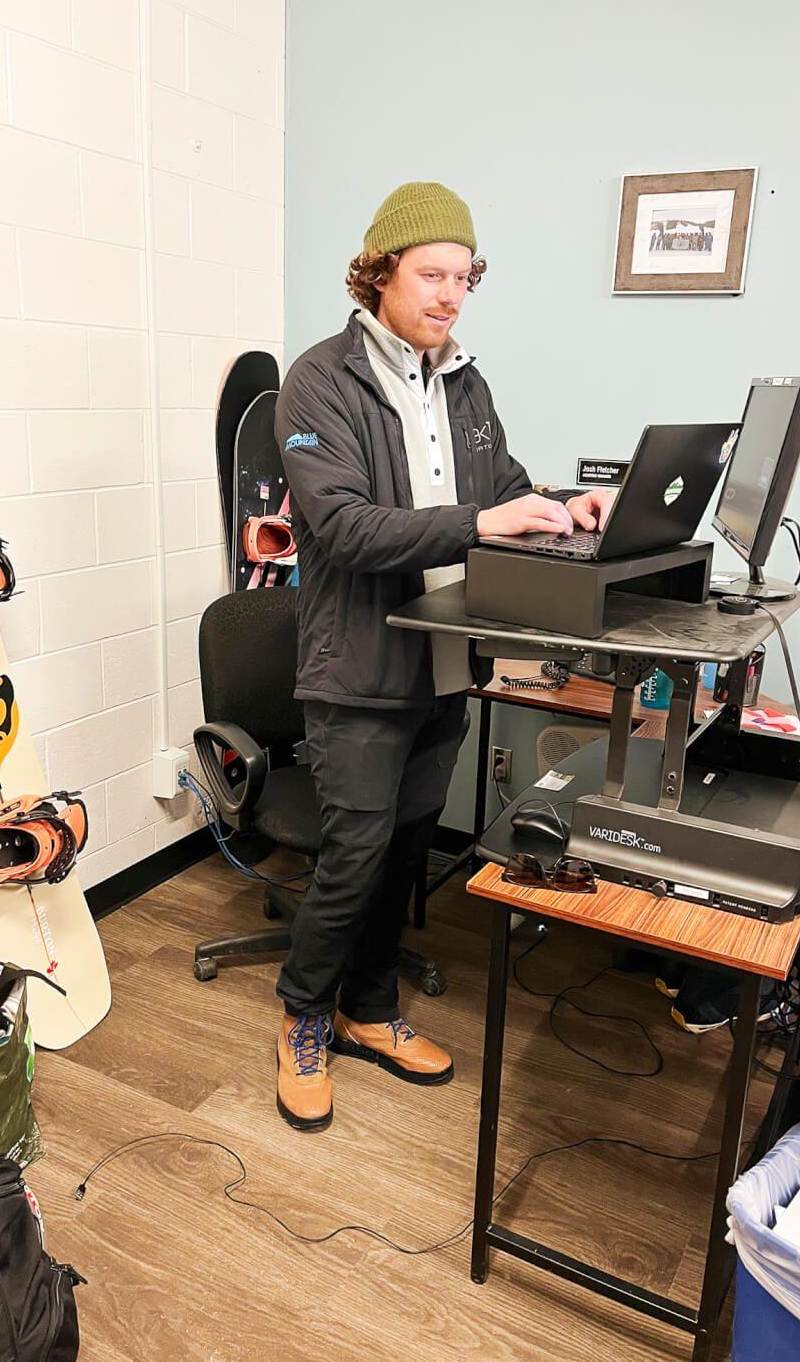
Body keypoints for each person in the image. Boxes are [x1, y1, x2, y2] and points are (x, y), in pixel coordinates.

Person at [272, 181, 615, 1130]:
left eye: (465, 278)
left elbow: (503, 488)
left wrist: (565, 506)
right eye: (432, 275)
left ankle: (369, 1007)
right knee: (354, 856)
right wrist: (481, 522)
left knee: (405, 854)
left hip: (448, 662)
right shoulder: (319, 381)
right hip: (360, 668)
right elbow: (343, 528)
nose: (451, 295)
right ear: (380, 272)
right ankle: (302, 1016)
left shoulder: (465, 383)